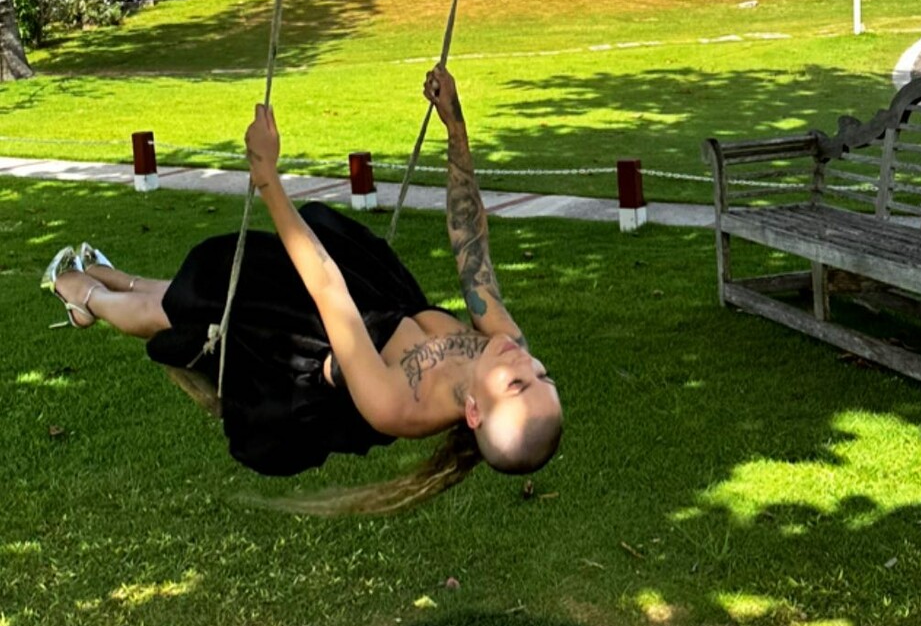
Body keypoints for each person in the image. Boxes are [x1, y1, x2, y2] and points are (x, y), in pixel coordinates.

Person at [40, 67, 562, 514]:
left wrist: (268, 177)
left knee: (179, 311)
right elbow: (471, 246)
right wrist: (456, 126)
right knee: (205, 286)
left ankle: (85, 299)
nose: (525, 362)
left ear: (474, 412)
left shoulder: (400, 405)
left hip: (303, 353)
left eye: (518, 384)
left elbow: (331, 294)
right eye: (543, 375)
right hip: (373, 301)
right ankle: (108, 275)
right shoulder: (505, 344)